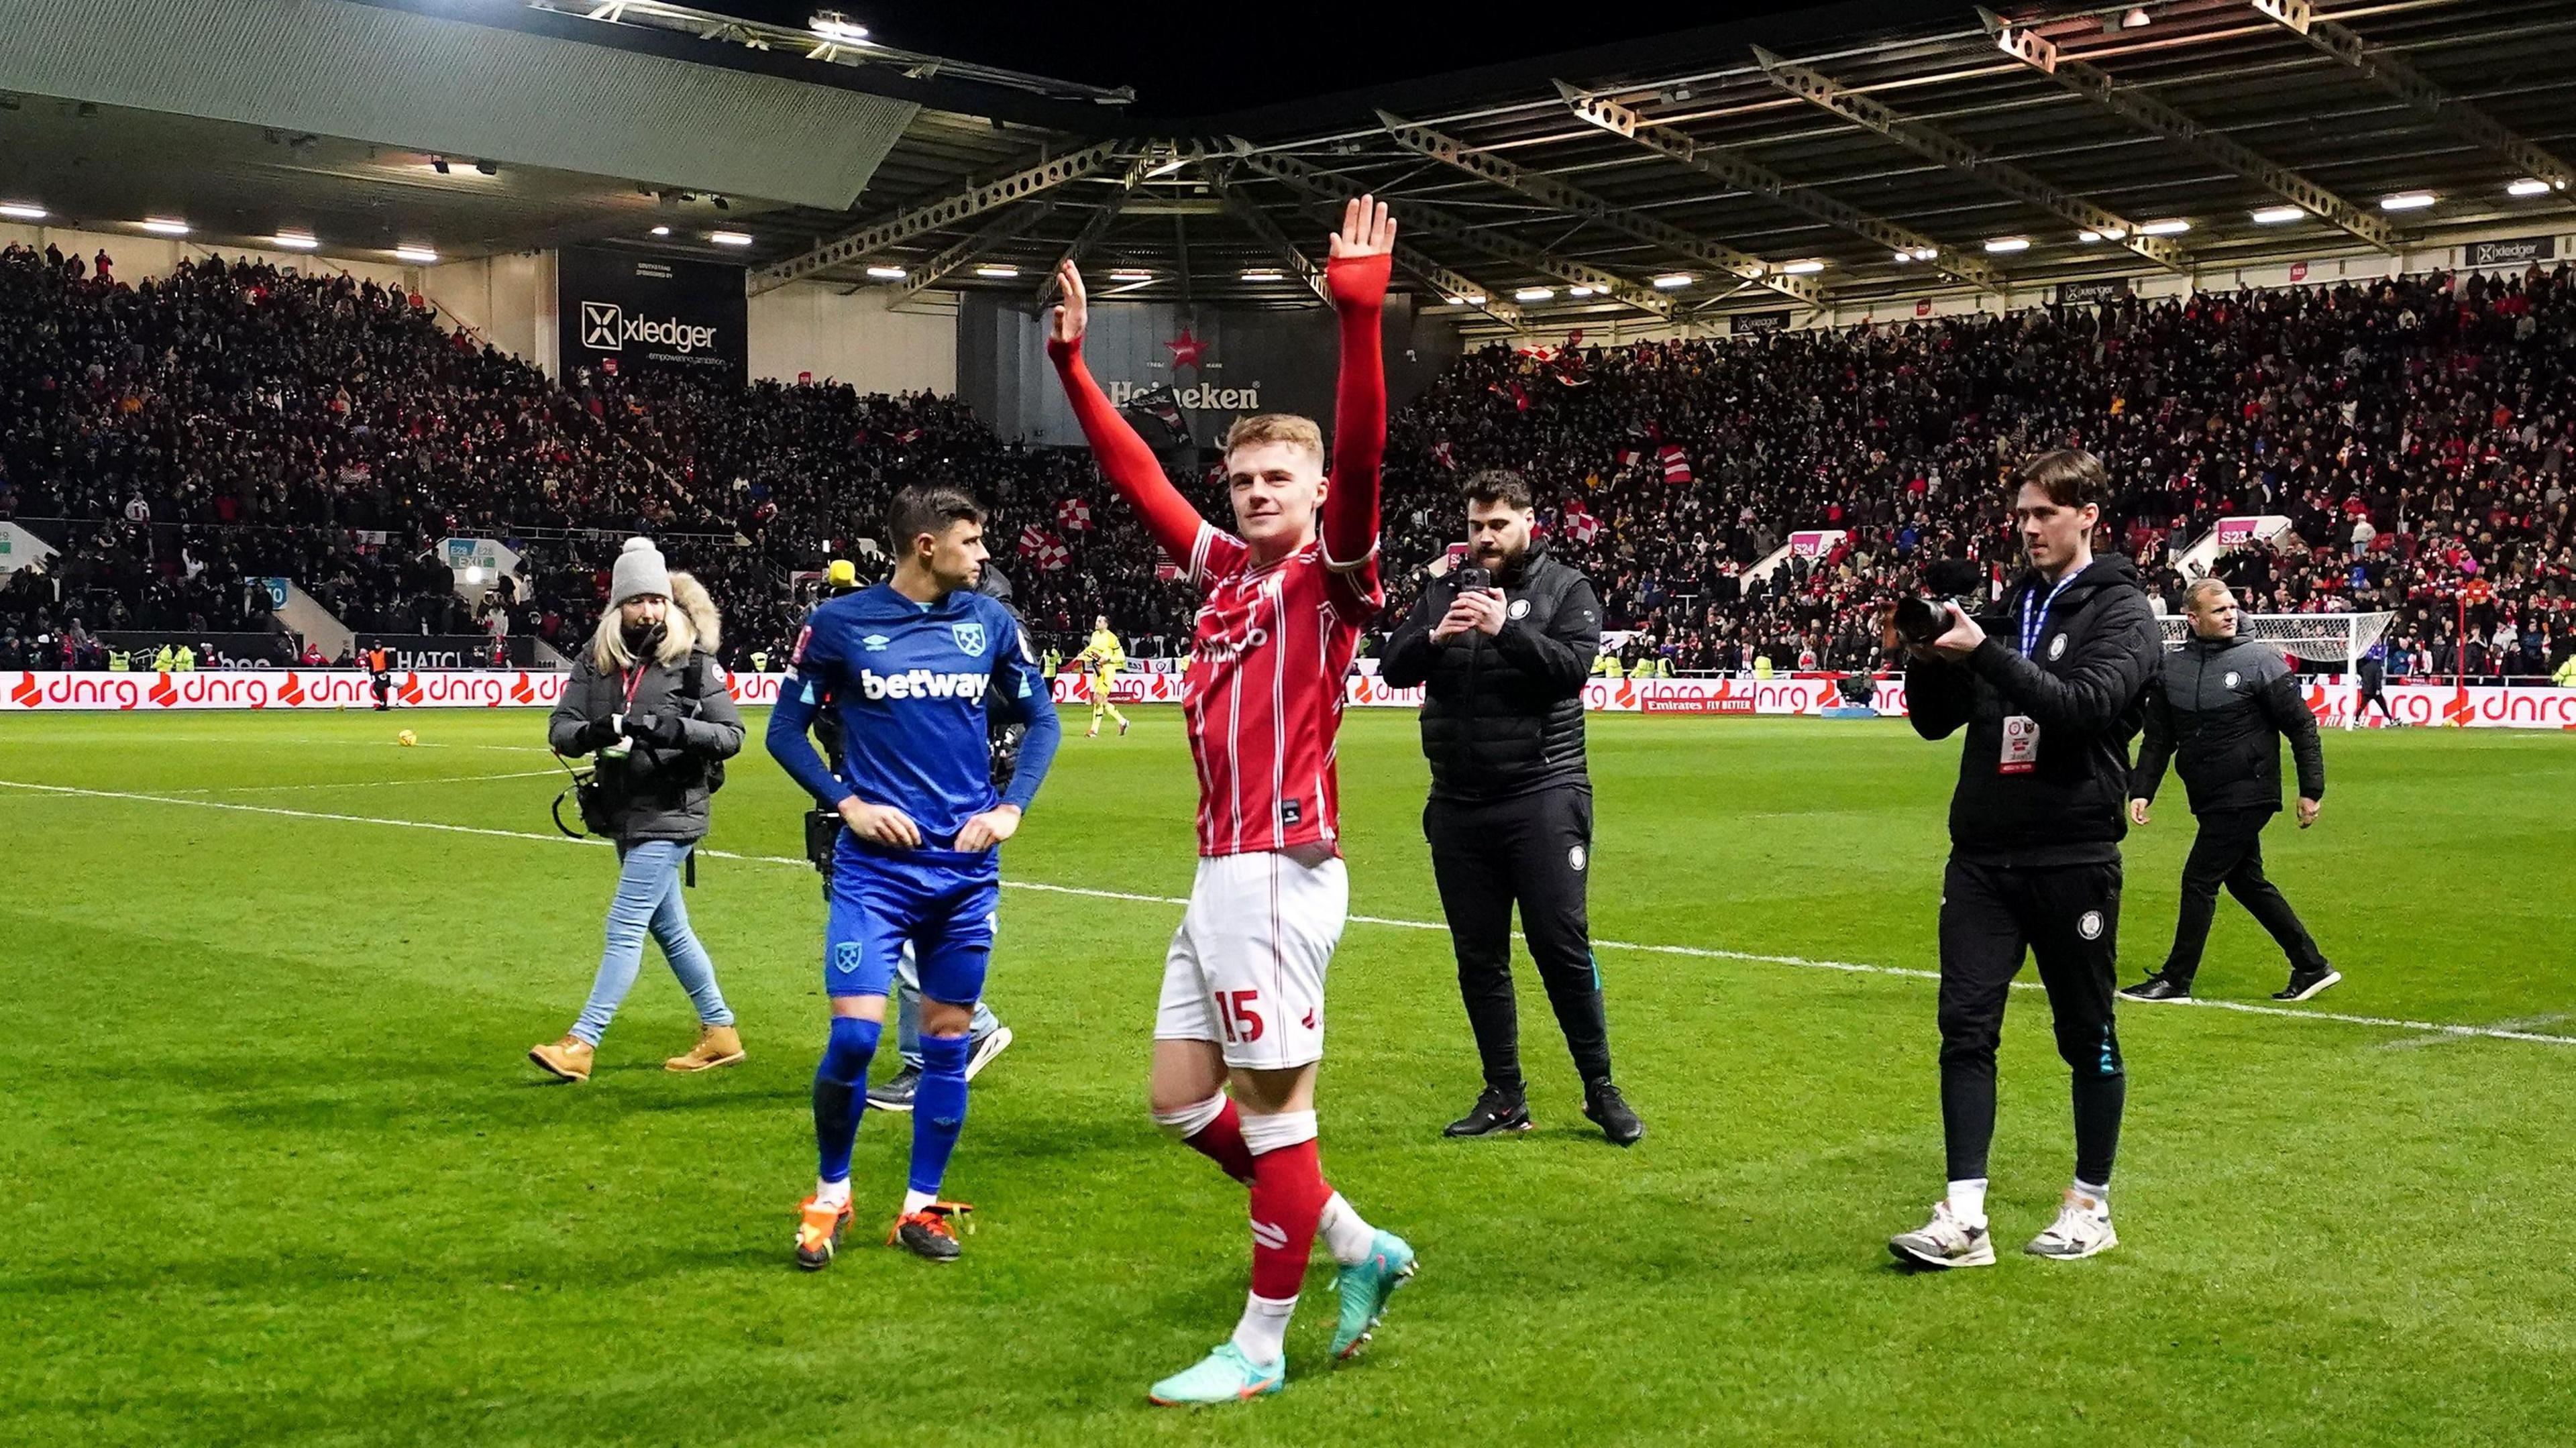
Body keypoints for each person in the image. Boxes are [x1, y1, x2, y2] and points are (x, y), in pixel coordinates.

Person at [1046, 197, 1417, 1407]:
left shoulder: (1330, 573)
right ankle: (1359, 1240)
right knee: (1180, 1099)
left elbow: (1361, 462)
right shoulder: (1223, 574)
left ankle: (1258, 1344)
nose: (1257, 492)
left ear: (1312, 493)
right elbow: (1137, 472)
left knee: (1273, 1114)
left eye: (1279, 477)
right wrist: (1070, 366)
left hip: (1278, 867)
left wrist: (1356, 322)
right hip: (1218, 870)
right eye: (1245, 476)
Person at [765, 486, 1061, 1266]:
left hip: (964, 871)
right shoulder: (838, 624)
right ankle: (831, 1193)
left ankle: (920, 1207)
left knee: (946, 1042)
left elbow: (1044, 719)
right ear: (926, 545)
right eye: (973, 540)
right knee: (856, 1038)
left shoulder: (991, 624)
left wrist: (1011, 809)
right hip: (876, 871)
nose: (985, 553)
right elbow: (783, 730)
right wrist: (846, 802)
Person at [1884, 449, 2163, 1271]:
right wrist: (1928, 658)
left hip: (2073, 852)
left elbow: (2082, 708)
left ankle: (2091, 1201)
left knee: (2087, 1033)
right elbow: (1936, 724)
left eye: (2045, 512)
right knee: (1964, 1029)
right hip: (1982, 857)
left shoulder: (2126, 611)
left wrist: (1988, 655)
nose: (2029, 527)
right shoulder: (2012, 609)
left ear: (2088, 516)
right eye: (2021, 515)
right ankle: (1963, 1216)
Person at [1379, 468, 1639, 1146]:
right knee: (1479, 954)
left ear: (1529, 521)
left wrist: (1504, 630)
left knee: (1561, 943)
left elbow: (1571, 669)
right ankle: (1504, 1094)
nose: (1485, 537)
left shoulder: (1566, 588)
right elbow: (1393, 665)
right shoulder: (1441, 588)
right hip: (1459, 801)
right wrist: (1434, 637)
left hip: (1543, 792)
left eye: (1498, 524)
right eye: (1475, 525)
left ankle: (1600, 1087)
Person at [530, 539, 746, 1084]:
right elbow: (560, 727)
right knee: (670, 929)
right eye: (636, 601)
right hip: (622, 808)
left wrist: (679, 730)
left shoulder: (693, 658)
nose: (648, 611)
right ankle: (720, 1031)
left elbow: (732, 734)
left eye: (655, 598)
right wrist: (591, 732)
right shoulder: (594, 657)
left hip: (673, 809)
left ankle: (583, 1041)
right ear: (618, 606)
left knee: (624, 924)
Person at [2120, 579, 2336, 1004]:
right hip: (2209, 794)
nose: (2230, 615)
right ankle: (2312, 966)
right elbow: (2159, 737)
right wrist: (2142, 789)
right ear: (2193, 618)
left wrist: (2312, 789)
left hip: (2248, 790)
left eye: (2233, 607)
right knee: (2246, 881)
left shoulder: (2260, 661)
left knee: (2198, 879)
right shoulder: (2171, 668)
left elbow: (2301, 725)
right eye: (2219, 610)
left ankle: (2176, 980)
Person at [867, 559, 1025, 1114]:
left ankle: (938, 1050)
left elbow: (1017, 702)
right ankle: (955, 1034)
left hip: (961, 793)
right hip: (918, 788)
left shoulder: (990, 618)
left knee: (923, 920)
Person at [1075, 614, 1131, 738]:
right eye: (1096, 620)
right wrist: (1080, 657)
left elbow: (1122, 657)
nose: (1097, 623)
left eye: (1100, 621)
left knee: (1098, 698)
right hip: (1097, 670)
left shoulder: (1112, 637)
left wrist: (1107, 659)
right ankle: (1120, 722)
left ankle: (1100, 728)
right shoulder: (1094, 635)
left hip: (1108, 671)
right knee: (1098, 701)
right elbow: (1091, 651)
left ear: (1106, 624)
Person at [2354, 640, 2398, 727]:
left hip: (2366, 690)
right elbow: (2378, 679)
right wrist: (2378, 689)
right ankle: (2391, 720)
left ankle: (2356, 721)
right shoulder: (2378, 668)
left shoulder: (2364, 668)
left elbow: (2363, 677)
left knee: (2361, 707)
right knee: (2383, 707)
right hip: (2375, 691)